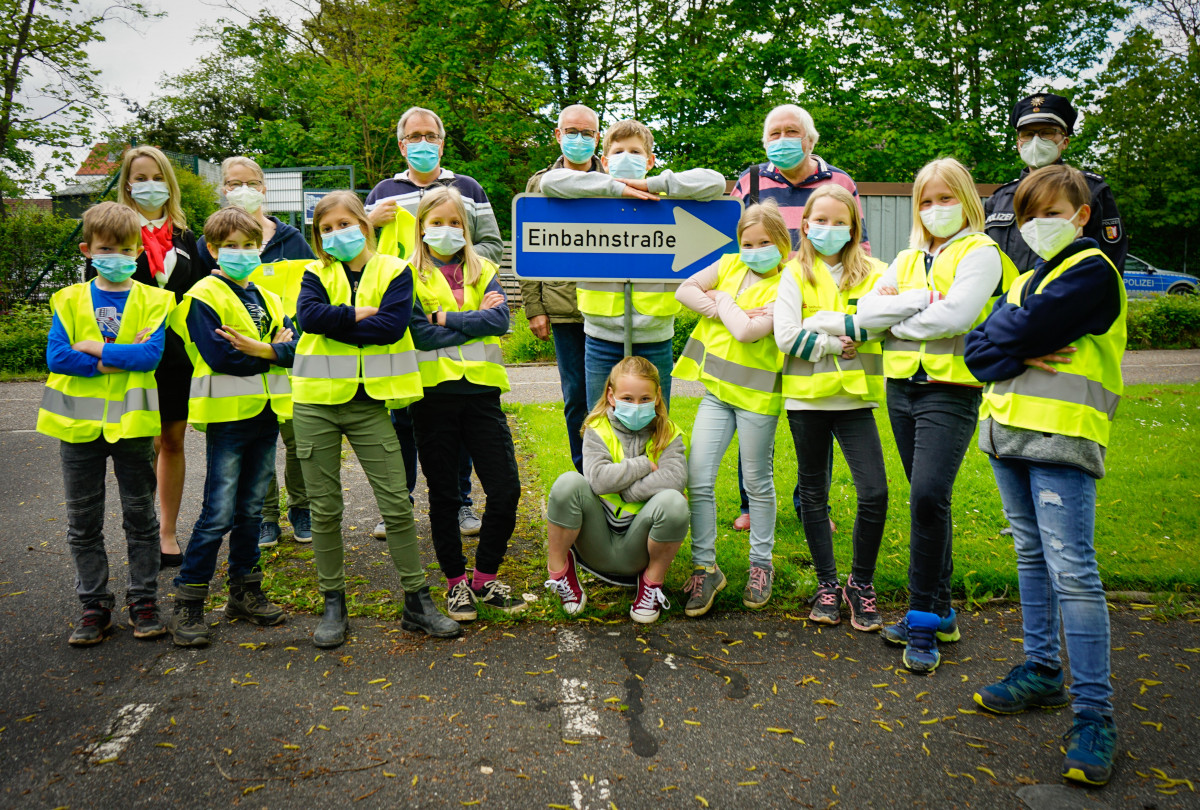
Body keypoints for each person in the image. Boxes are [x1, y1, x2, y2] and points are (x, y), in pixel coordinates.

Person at [965, 164, 1125, 786]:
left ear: (1082, 216)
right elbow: (977, 352)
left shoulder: (1092, 272)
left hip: (1061, 438)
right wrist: (1011, 345)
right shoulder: (1029, 277)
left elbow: (1009, 334)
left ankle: (1095, 715)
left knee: (1073, 570)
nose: (1039, 226)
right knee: (1032, 556)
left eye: (1053, 214)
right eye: (1030, 217)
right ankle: (1042, 672)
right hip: (1006, 433)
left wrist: (1008, 342)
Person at [854, 157, 1016, 673]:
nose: (935, 209)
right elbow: (866, 315)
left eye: (946, 198)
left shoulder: (982, 251)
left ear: (967, 200)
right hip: (903, 387)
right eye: (926, 200)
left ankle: (922, 619)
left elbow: (957, 316)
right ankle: (941, 611)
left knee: (927, 496)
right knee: (929, 502)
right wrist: (905, 310)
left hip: (951, 388)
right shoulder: (904, 258)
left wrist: (897, 317)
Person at [293, 191, 461, 647]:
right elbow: (308, 318)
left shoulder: (394, 269)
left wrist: (337, 322)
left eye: (343, 224)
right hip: (315, 403)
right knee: (325, 509)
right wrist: (353, 315)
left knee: (395, 502)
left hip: (369, 404)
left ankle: (417, 602)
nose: (335, 235)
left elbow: (390, 327)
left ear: (364, 225)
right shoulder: (313, 272)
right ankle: (334, 603)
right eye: (325, 229)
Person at [728, 104, 869, 535]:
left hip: (817, 311)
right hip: (764, 309)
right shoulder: (749, 181)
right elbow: (734, 244)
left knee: (816, 412)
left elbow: (857, 248)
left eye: (792, 131)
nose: (783, 139)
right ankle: (750, 500)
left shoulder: (840, 181)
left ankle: (813, 504)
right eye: (775, 132)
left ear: (810, 139)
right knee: (757, 407)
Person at [39, 202, 175, 645]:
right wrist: (117, 358)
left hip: (133, 429)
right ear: (87, 249)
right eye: (105, 248)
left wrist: (93, 349)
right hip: (77, 432)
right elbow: (57, 356)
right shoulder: (69, 299)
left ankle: (143, 600)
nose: (115, 256)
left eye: (124, 249)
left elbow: (150, 356)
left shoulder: (156, 300)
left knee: (140, 519)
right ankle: (93, 605)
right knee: (83, 522)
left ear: (138, 252)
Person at [365, 106, 500, 538]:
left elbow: (492, 243)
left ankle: (462, 504)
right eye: (414, 136)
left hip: (463, 315)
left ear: (441, 142)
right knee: (402, 420)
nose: (423, 143)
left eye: (431, 136)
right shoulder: (383, 191)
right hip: (406, 319)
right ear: (402, 144)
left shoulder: (469, 188)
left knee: (457, 428)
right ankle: (398, 505)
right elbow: (361, 254)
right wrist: (368, 222)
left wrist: (466, 277)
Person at [165, 207, 296, 647]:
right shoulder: (204, 295)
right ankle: (190, 599)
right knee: (217, 512)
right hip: (227, 416)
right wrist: (270, 350)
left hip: (264, 413)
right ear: (213, 249)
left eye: (249, 245)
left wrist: (266, 349)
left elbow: (294, 348)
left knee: (252, 509)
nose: (241, 253)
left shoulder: (268, 295)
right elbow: (222, 358)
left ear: (260, 246)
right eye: (230, 246)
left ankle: (245, 590)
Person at [540, 118, 726, 406]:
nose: (626, 157)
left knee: (655, 421)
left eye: (636, 152)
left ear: (650, 160)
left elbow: (714, 182)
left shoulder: (666, 197)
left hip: (656, 337)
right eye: (618, 151)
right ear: (603, 160)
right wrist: (617, 188)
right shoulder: (591, 195)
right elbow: (550, 181)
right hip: (600, 336)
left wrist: (650, 184)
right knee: (600, 421)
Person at [408, 186, 527, 622]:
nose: (445, 230)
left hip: (482, 394)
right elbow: (419, 333)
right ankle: (456, 583)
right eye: (436, 222)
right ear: (421, 227)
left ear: (467, 227)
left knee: (506, 489)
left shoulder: (486, 268)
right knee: (443, 495)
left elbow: (501, 320)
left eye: (454, 223)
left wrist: (445, 318)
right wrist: (471, 323)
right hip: (434, 397)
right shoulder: (408, 274)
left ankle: (485, 576)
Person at [774, 186, 889, 632]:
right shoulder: (792, 274)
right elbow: (785, 335)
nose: (829, 228)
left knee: (874, 492)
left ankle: (860, 584)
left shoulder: (877, 273)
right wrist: (832, 343)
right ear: (804, 226)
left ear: (854, 228)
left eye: (839, 221)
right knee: (814, 494)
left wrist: (853, 333)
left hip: (855, 399)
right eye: (820, 220)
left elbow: (884, 324)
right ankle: (827, 584)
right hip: (806, 400)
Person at [94, 146, 206, 568]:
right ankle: (139, 531)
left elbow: (197, 297)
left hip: (177, 357)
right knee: (139, 444)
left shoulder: (186, 237)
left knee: (172, 441)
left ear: (169, 182)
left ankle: (167, 532)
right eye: (139, 178)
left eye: (156, 176)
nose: (149, 185)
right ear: (126, 184)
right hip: (133, 355)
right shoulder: (114, 234)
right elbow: (96, 294)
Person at [198, 156, 317, 550]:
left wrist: (289, 343)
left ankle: (301, 508)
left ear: (264, 188)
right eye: (233, 183)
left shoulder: (292, 239)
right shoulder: (210, 243)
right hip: (246, 365)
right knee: (259, 447)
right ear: (223, 189)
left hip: (289, 353)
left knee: (298, 441)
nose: (242, 189)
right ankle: (267, 517)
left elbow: (310, 293)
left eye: (250, 182)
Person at [672, 202, 786, 616]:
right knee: (698, 479)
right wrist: (722, 302)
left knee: (756, 483)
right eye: (747, 242)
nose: (754, 250)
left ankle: (761, 565)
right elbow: (684, 290)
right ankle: (705, 567)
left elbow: (749, 332)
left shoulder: (791, 282)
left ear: (782, 242)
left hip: (759, 398)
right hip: (717, 393)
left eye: (764, 242)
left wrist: (721, 302)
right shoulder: (728, 264)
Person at [543, 357, 689, 623]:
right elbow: (598, 480)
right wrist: (644, 464)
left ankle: (651, 583)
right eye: (628, 398)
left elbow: (675, 478)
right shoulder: (596, 428)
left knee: (675, 502)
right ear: (611, 396)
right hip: (595, 542)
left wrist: (629, 492)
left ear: (657, 397)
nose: (636, 406)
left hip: (638, 545)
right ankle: (560, 571)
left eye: (645, 399)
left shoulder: (669, 433)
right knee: (568, 483)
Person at [518, 104, 605, 472]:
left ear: (598, 137)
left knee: (617, 396)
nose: (579, 139)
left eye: (587, 133)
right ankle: (585, 472)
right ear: (557, 135)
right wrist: (535, 308)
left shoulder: (615, 177)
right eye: (572, 131)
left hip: (608, 305)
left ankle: (615, 471)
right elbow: (529, 246)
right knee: (576, 398)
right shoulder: (538, 184)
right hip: (564, 308)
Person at [985, 93, 1128, 275]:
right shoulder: (999, 199)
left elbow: (1110, 263)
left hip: (1066, 299)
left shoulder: (1090, 190)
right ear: (1019, 143)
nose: (1036, 141)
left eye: (1047, 132)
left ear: (1064, 141)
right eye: (1027, 134)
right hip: (1007, 302)